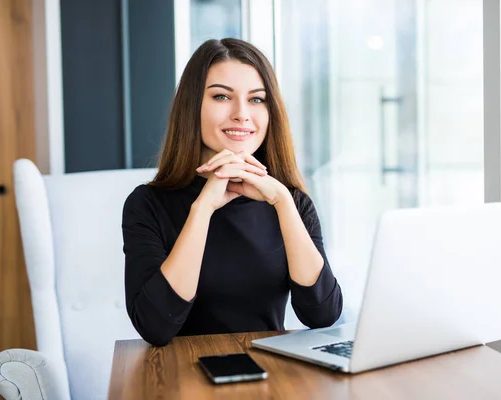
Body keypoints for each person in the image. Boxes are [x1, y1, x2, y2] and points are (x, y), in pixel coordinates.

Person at [122, 38, 343, 347]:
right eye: (222, 96)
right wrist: (203, 209)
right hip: (181, 378)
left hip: (269, 376)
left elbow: (323, 315)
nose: (242, 114)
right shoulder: (147, 204)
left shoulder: (288, 201)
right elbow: (156, 327)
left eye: (256, 99)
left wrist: (282, 203)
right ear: (192, 106)